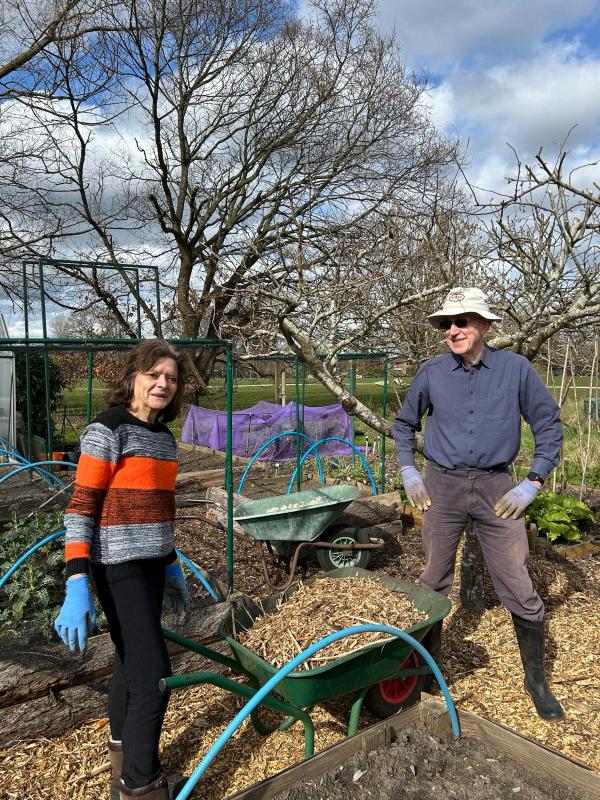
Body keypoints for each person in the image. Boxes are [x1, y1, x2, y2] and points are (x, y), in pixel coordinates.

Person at [392, 287, 564, 722]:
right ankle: (425, 671)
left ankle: (536, 681)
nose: (453, 329)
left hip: (497, 489)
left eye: (463, 321)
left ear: (484, 325)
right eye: (447, 323)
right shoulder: (432, 373)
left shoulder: (516, 370)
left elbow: (548, 424)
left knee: (517, 582)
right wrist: (409, 471)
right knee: (432, 579)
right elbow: (403, 424)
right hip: (442, 487)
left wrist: (533, 482)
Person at [54, 339, 191, 799]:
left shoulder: (164, 439)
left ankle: (123, 757)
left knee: (131, 665)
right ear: (133, 376)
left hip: (153, 565)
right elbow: (81, 507)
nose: (162, 384)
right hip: (118, 567)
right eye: (154, 374)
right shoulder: (107, 429)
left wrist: (171, 565)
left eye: (170, 378)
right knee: (154, 678)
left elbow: (161, 508)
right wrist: (76, 580)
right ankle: (140, 784)